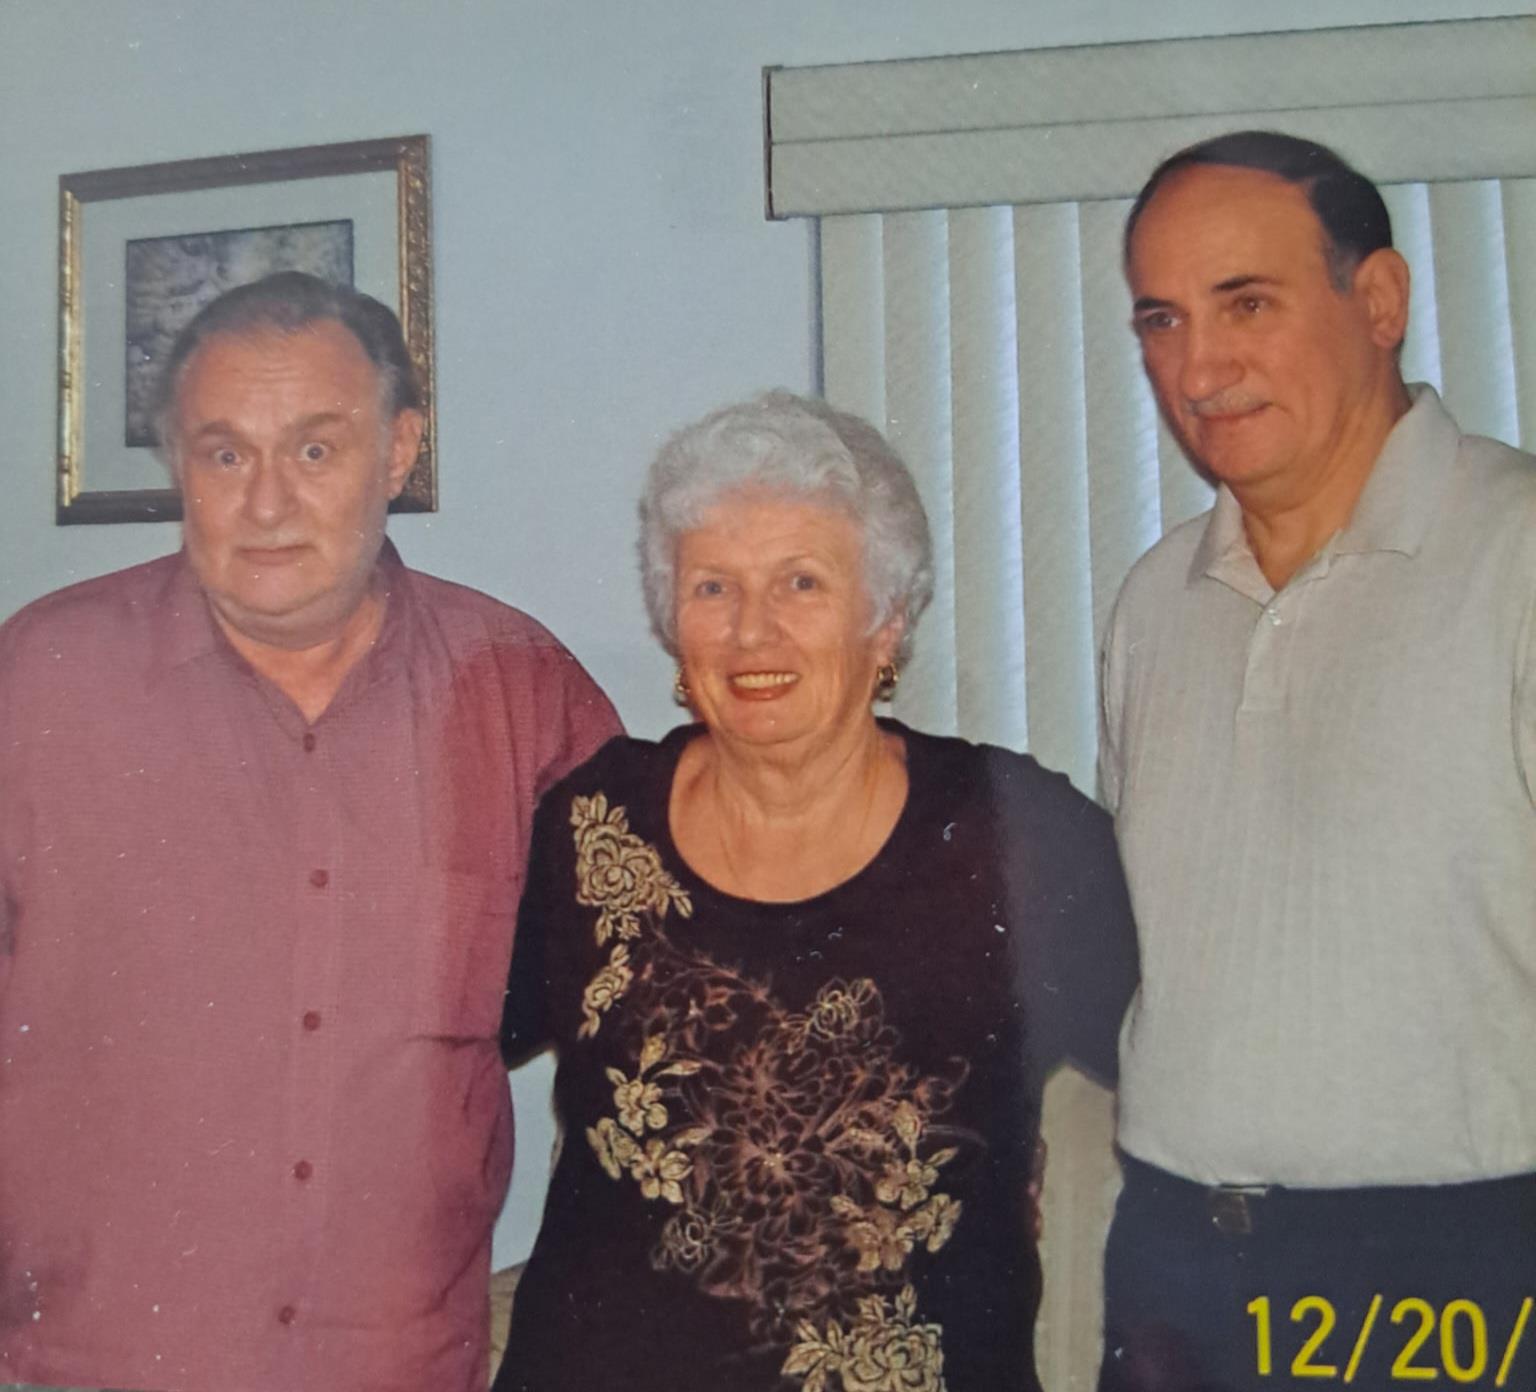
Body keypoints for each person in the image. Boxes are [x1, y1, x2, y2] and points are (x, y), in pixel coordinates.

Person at [0, 272, 619, 1392]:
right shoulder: (39, 681)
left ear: (399, 450)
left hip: (399, 1359)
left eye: (317, 450)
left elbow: (647, 1009)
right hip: (99, 1359)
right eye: (225, 454)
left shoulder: (521, 691)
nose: (268, 503)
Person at [492, 391, 1138, 1392]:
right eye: (713, 587)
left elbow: (1181, 1064)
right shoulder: (593, 830)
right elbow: (436, 1047)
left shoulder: (1013, 835)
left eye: (801, 582)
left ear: (887, 622)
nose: (752, 632)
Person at [1098, 131, 1536, 1392]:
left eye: (1247, 304)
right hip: (1178, 1264)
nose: (1200, 368)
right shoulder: (1154, 603)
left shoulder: (1514, 555)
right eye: (1164, 320)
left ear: (1380, 300)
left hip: (1453, 1272)